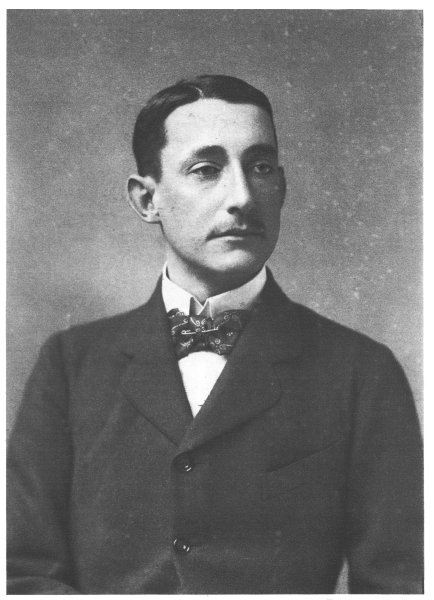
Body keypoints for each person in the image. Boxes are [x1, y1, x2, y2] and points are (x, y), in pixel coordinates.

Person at [7, 74, 423, 594]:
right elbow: (23, 574)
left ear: (283, 188)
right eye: (206, 170)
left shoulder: (361, 372)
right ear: (146, 200)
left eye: (261, 167)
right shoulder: (70, 365)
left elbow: (400, 584)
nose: (242, 197)